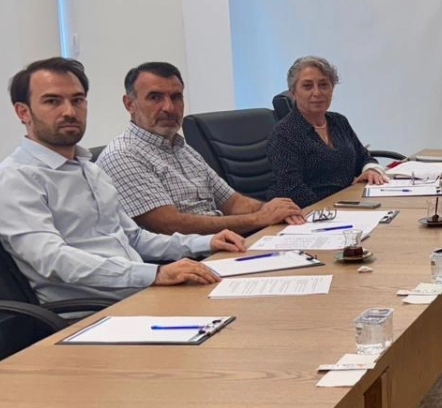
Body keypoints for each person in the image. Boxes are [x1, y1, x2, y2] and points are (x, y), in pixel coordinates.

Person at [0, 57, 244, 304]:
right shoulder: (17, 178)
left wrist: (205, 242)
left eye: (77, 100)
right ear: (23, 112)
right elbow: (54, 259)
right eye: (52, 101)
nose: (69, 112)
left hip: (140, 294)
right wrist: (154, 274)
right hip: (93, 312)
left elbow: (134, 238)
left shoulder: (89, 169)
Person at [98, 61, 305, 235]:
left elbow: (233, 203)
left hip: (222, 245)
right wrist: (259, 219)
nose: (169, 107)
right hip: (183, 260)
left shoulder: (182, 149)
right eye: (155, 97)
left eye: (176, 97)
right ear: (129, 104)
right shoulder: (123, 155)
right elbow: (169, 225)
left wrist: (273, 209)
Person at [267, 56, 389, 207]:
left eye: (324, 85)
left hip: (347, 203)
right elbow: (294, 190)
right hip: (310, 213)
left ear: (332, 89)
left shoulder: (338, 121)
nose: (317, 93)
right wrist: (334, 211)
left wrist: (371, 170)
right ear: (293, 92)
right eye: (307, 86)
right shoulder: (284, 135)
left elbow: (363, 157)